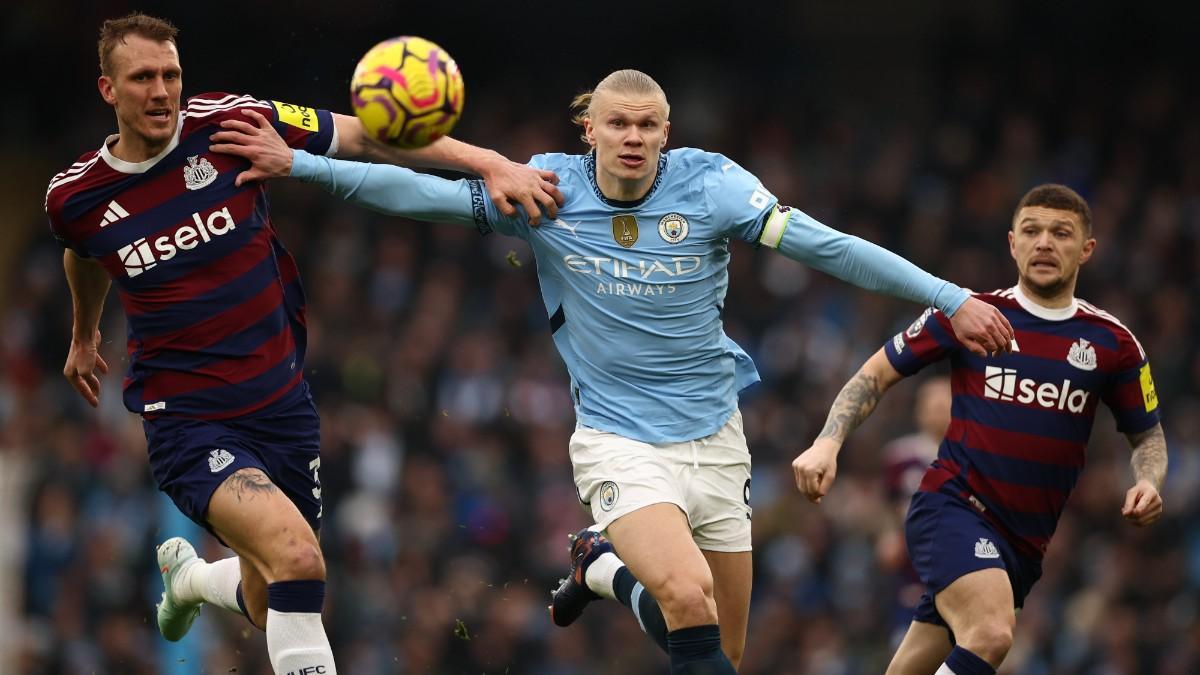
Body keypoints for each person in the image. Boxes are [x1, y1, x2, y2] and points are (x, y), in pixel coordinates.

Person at [207, 69, 1014, 674]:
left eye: (649, 125)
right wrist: (302, 165)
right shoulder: (545, 191)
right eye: (617, 123)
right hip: (620, 442)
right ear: (588, 128)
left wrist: (950, 299)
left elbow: (830, 247)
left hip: (717, 440)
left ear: (668, 132)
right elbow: (421, 194)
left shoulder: (715, 187)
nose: (633, 137)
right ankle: (611, 559)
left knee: (709, 648)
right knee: (688, 598)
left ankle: (598, 566)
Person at [43, 13, 562, 675]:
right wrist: (84, 333)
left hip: (282, 405)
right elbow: (83, 253)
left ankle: (194, 582)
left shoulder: (229, 124)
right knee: (298, 558)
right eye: (142, 77)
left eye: (170, 74)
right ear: (108, 90)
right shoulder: (76, 196)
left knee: (271, 599)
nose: (161, 90)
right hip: (189, 420)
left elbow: (365, 137)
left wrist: (491, 162)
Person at [791, 184, 1168, 675]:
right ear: (1012, 243)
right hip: (954, 506)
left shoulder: (1113, 343)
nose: (1045, 244)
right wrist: (827, 442)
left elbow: (1148, 436)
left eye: (1061, 233)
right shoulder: (969, 313)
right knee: (990, 635)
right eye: (1032, 231)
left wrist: (1148, 481)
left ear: (1087, 249)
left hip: (1026, 544)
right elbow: (875, 374)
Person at [875, 377, 951, 649]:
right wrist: (887, 535)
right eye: (931, 404)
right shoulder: (899, 456)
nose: (937, 411)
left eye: (944, 404)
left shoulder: (968, 455)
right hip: (911, 566)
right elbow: (887, 504)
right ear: (919, 409)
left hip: (954, 557)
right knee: (907, 644)